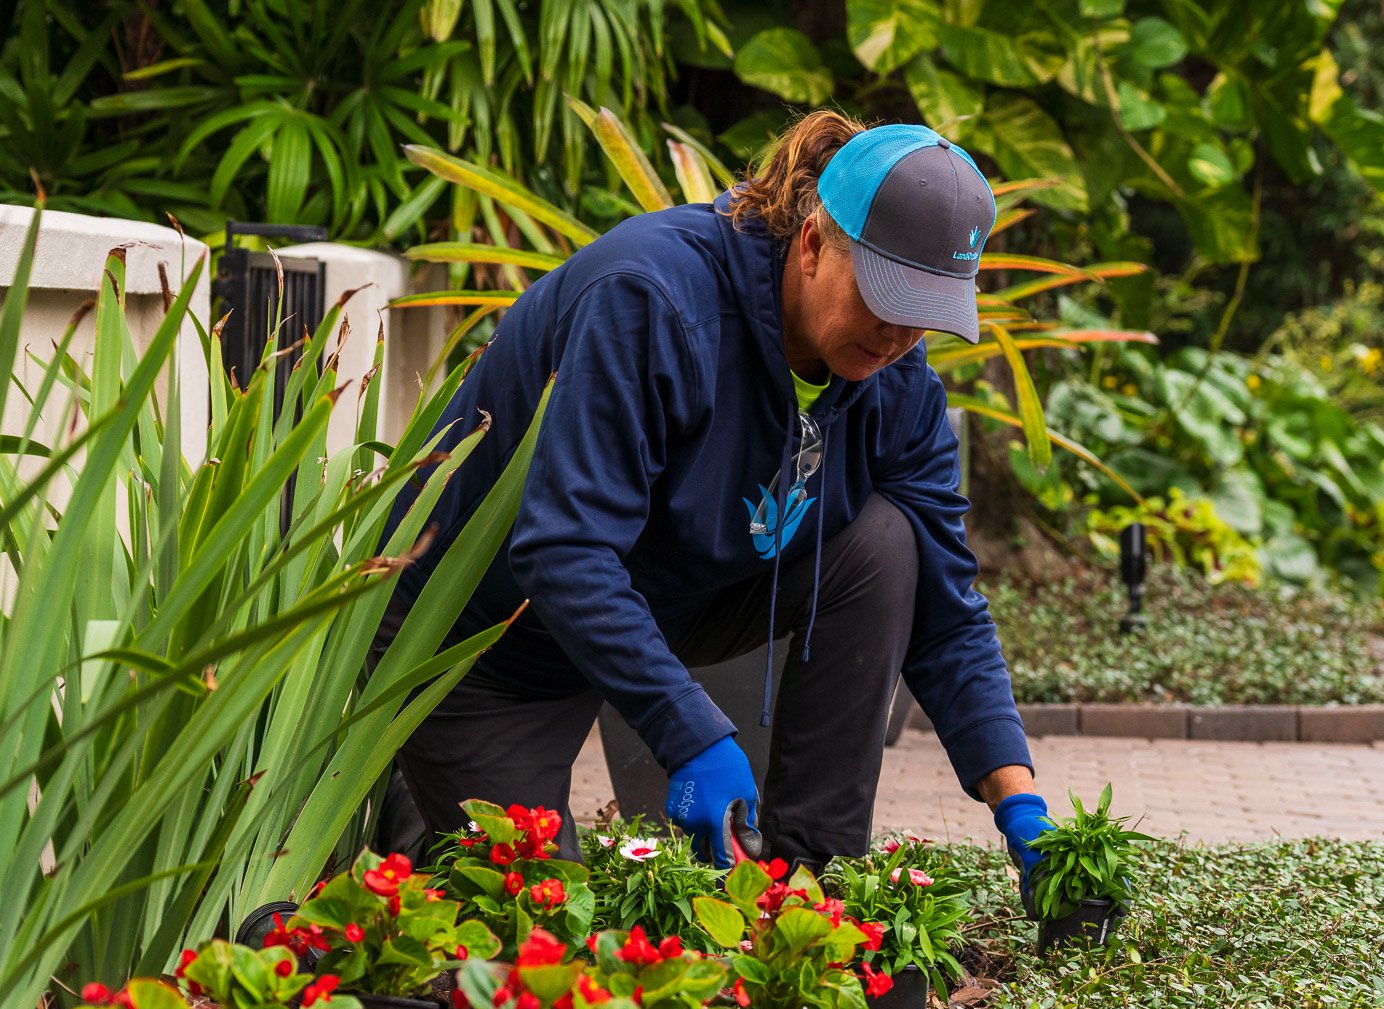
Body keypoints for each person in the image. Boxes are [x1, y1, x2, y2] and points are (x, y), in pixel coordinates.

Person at [373, 110, 1055, 896]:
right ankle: (411, 793)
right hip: (488, 641)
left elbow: (947, 598)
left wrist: (1019, 799)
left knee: (885, 543)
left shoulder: (894, 381)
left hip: (656, 592)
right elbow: (563, 549)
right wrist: (690, 731)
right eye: (885, 297)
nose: (900, 335)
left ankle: (803, 873)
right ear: (811, 244)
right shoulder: (651, 301)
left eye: (926, 312)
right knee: (542, 943)